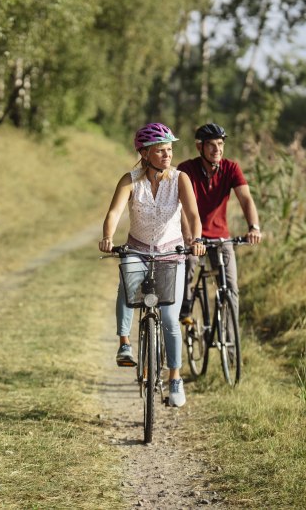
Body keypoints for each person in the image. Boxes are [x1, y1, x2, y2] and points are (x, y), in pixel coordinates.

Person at [99, 123, 205, 408]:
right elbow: (114, 212)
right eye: (160, 151)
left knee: (170, 320)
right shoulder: (130, 180)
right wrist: (108, 237)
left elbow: (193, 214)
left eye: (169, 150)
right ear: (145, 153)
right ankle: (124, 344)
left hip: (172, 253)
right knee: (128, 279)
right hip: (138, 248)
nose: (167, 155)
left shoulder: (180, 179)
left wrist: (195, 239)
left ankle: (175, 379)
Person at [176, 122, 262, 322]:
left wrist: (254, 227)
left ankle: (231, 345)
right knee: (187, 264)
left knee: (231, 288)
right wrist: (188, 234)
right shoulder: (186, 169)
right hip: (192, 235)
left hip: (220, 236)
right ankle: (185, 306)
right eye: (212, 145)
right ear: (200, 147)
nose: (217, 150)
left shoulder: (231, 168)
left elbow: (246, 199)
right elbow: (180, 206)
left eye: (221, 144)